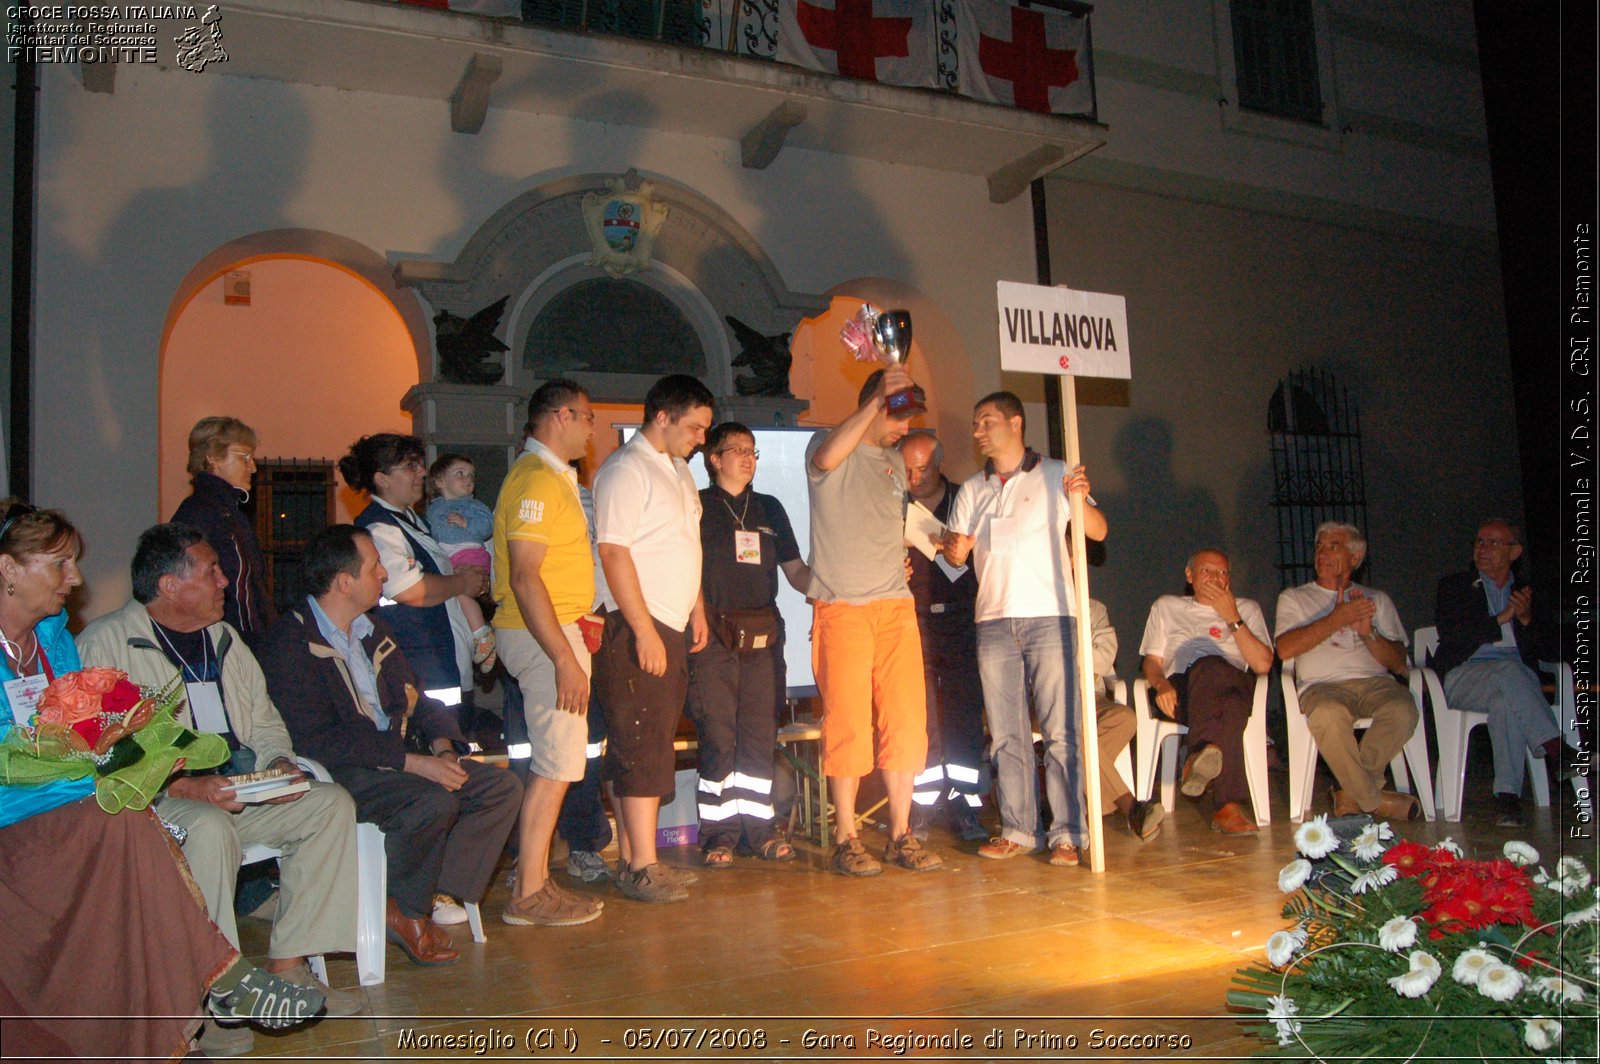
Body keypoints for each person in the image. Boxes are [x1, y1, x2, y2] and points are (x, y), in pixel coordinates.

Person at [75, 523, 363, 1053]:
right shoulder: (105, 643)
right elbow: (103, 747)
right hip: (155, 802)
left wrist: (278, 763)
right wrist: (181, 784)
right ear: (168, 584)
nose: (226, 580)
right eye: (211, 571)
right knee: (208, 830)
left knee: (328, 805)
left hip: (235, 788)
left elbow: (266, 722)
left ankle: (290, 969)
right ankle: (213, 995)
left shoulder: (226, 641)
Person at [259, 525, 524, 965]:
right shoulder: (291, 642)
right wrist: (413, 764)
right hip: (344, 770)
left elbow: (417, 697)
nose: (384, 574)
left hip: (400, 759)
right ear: (344, 582)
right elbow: (319, 739)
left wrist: (441, 746)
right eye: (374, 566)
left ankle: (415, 900)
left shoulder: (371, 628)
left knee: (501, 789)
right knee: (432, 802)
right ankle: (410, 911)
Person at [0, 802, 325, 1060]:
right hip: (21, 822)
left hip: (56, 802)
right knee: (123, 820)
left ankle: (179, 1030)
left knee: (124, 817)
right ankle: (223, 984)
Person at [942, 391, 1106, 867]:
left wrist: (1080, 496)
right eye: (975, 423)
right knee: (1007, 732)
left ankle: (1069, 833)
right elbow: (956, 557)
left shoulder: (1057, 473)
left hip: (1050, 614)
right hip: (992, 618)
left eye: (986, 421)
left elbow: (1096, 532)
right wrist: (954, 548)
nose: (978, 431)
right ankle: (1018, 828)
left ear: (1016, 423)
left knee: (1060, 730)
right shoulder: (973, 489)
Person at [808, 366, 941, 876]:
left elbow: (900, 525)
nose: (904, 431)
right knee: (847, 725)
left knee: (907, 722)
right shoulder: (827, 445)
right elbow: (827, 458)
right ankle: (847, 835)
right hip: (842, 608)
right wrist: (874, 401)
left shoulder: (891, 465)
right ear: (874, 405)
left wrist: (945, 542)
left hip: (895, 609)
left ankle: (901, 835)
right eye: (898, 417)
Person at [490, 380, 608, 925]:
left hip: (558, 632)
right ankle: (528, 894)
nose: (592, 427)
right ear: (559, 416)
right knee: (556, 763)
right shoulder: (535, 479)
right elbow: (524, 575)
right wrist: (563, 657)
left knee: (559, 762)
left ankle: (536, 882)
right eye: (586, 416)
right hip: (544, 637)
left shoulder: (551, 478)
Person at [594, 374, 714, 901]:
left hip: (673, 620)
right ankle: (643, 864)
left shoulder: (681, 470)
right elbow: (614, 552)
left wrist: (698, 609)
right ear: (661, 417)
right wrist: (643, 630)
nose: (701, 438)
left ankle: (633, 861)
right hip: (635, 625)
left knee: (649, 741)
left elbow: (685, 544)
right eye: (694, 426)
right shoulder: (625, 470)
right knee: (640, 742)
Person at [688, 421, 809, 865]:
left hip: (763, 635)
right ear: (714, 459)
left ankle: (759, 830)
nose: (748, 457)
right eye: (736, 449)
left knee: (760, 734)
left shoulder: (771, 508)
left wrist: (835, 585)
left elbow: (797, 572)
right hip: (713, 636)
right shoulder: (697, 506)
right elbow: (684, 570)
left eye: (753, 450)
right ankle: (719, 834)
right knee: (719, 735)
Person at [339, 433, 487, 749]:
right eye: (409, 467)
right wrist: (462, 583)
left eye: (419, 465)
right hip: (421, 671)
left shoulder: (412, 522)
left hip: (442, 666)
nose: (421, 472)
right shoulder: (380, 528)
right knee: (439, 761)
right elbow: (410, 589)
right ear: (382, 479)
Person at [1431, 518, 1577, 826]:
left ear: (1514, 551)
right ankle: (1554, 746)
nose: (1483, 549)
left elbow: (1551, 650)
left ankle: (1508, 800)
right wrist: (1501, 618)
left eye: (1493, 543)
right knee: (1510, 671)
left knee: (1505, 701)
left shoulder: (1529, 593)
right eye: (1479, 542)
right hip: (1464, 675)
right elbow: (1452, 635)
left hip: (1515, 683)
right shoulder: (1455, 586)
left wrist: (1524, 620)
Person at [1276, 522, 1422, 822]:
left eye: (1334, 546)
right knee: (1328, 715)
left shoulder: (1376, 599)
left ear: (1355, 558)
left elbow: (1397, 663)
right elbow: (1284, 649)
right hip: (1321, 686)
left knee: (1403, 709)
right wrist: (1336, 618)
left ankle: (1351, 793)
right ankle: (1371, 798)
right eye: (1319, 546)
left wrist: (1368, 633)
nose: (1322, 553)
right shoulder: (1294, 598)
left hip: (1374, 684)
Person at [1138, 549, 1273, 834]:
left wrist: (1231, 616)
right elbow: (1151, 662)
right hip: (1180, 692)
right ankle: (1227, 808)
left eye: (1222, 572)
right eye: (1207, 571)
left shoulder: (1246, 608)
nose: (1215, 578)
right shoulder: (1167, 606)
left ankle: (1198, 754)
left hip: (1235, 680)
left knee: (1218, 674)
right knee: (1229, 703)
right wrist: (1160, 684)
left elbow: (1262, 663)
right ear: (1189, 576)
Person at [896, 430, 987, 842]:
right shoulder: (893, 504)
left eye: (923, 468)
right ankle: (923, 804)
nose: (914, 477)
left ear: (941, 464)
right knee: (920, 718)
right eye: (907, 469)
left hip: (962, 621)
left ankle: (966, 805)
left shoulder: (967, 500)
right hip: (911, 621)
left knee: (964, 717)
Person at [171, 416, 276, 649]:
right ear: (213, 457)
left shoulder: (229, 512)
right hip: (224, 646)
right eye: (244, 457)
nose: (253, 467)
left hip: (244, 644)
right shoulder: (199, 513)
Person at [1087, 593, 1163, 841]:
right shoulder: (1032, 604)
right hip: (1042, 699)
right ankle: (1129, 806)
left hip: (1087, 694)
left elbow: (1104, 653)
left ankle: (1079, 798)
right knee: (1076, 723)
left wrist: (1080, 669)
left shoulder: (1093, 608)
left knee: (1124, 718)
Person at [426, 453, 497, 672]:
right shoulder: (433, 508)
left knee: (461, 592)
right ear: (440, 481)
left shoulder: (474, 506)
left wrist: (468, 523)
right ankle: (480, 645)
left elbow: (488, 526)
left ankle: (482, 634)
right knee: (453, 599)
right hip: (448, 556)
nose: (468, 479)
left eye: (471, 476)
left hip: (469, 554)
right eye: (460, 474)